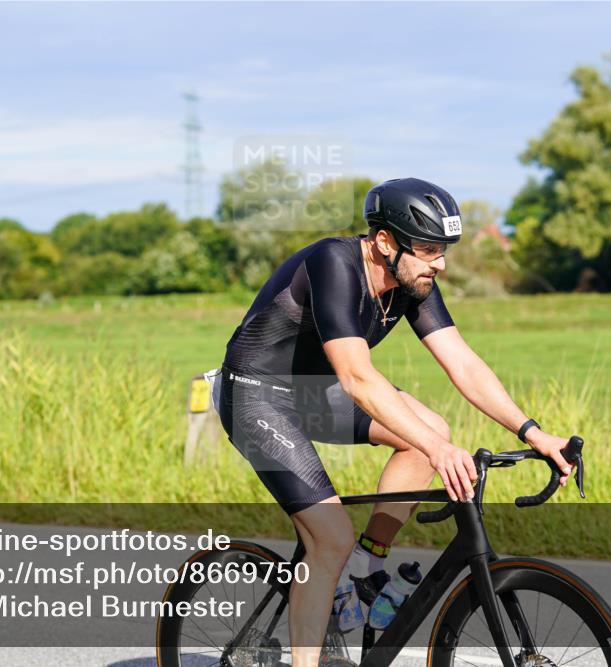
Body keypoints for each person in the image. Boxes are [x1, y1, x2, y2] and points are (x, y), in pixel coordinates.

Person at [215, 177, 576, 667]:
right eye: (429, 249)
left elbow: (463, 364)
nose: (440, 263)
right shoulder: (334, 264)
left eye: (443, 250)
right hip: (255, 393)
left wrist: (532, 431)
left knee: (433, 431)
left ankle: (366, 569)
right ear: (385, 242)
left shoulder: (412, 282)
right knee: (330, 536)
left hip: (312, 394)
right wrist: (435, 450)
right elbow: (358, 378)